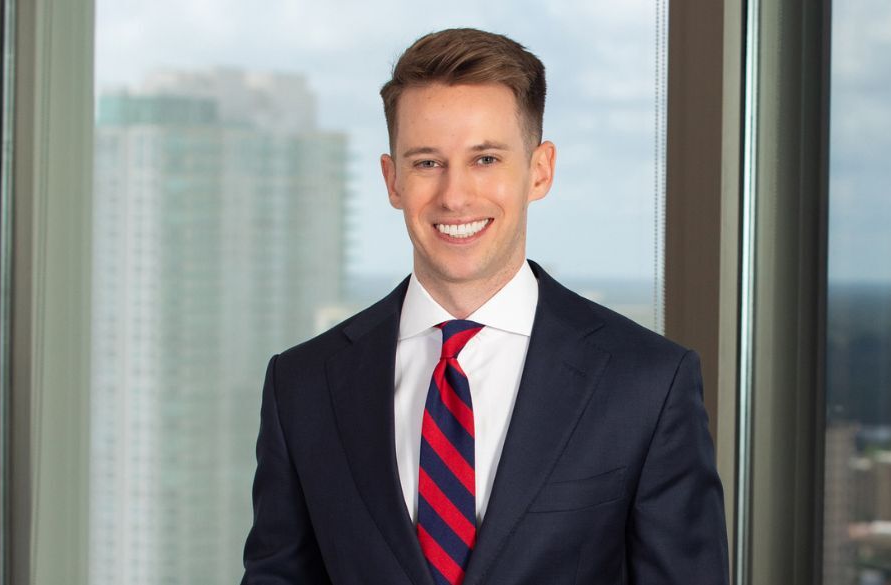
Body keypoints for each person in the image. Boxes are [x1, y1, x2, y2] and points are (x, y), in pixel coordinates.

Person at [242, 28, 729, 585]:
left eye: (486, 159)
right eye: (427, 163)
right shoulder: (302, 385)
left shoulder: (647, 383)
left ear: (540, 170)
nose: (455, 196)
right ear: (392, 180)